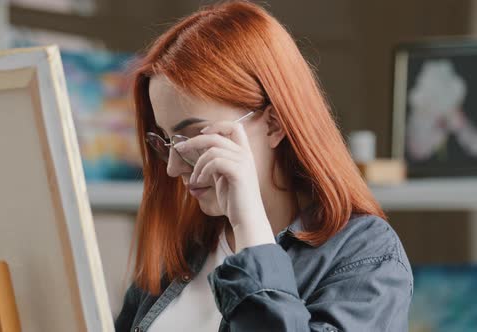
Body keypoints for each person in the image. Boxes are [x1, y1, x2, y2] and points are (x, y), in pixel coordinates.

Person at [115, 1, 413, 331]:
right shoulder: (186, 249)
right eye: (168, 141)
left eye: (194, 136)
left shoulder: (366, 255)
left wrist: (251, 229)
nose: (173, 167)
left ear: (273, 124)